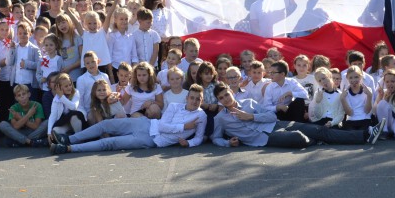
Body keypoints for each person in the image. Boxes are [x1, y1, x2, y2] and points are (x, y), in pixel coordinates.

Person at [50, 85, 208, 154]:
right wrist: (184, 127)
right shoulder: (174, 106)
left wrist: (189, 143)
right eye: (192, 98)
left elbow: (199, 138)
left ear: (202, 100)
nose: (194, 101)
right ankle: (69, 139)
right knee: (105, 124)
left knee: (109, 143)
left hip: (151, 140)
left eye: (198, 99)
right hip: (145, 123)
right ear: (187, 97)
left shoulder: (201, 116)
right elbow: (162, 126)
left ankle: (69, 148)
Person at [210, 84, 373, 149]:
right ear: (219, 100)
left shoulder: (249, 103)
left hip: (276, 125)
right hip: (263, 139)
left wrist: (251, 117)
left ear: (232, 92)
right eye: (221, 98)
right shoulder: (220, 119)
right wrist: (227, 143)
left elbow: (272, 116)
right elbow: (215, 138)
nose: (226, 99)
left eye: (227, 94)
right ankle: (318, 140)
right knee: (297, 137)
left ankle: (365, 135)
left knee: (319, 130)